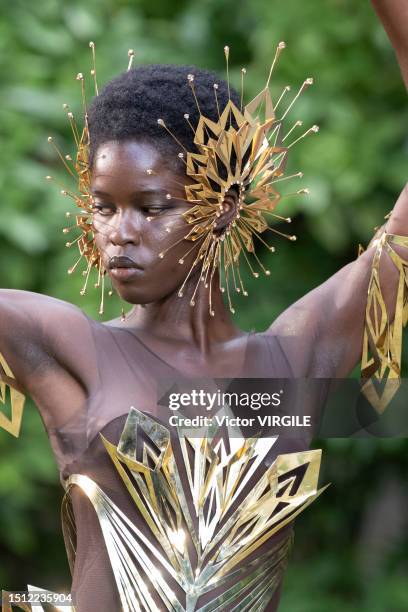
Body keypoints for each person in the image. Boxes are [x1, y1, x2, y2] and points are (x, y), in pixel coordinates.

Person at [1, 1, 407, 610]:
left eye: (151, 206)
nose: (119, 232)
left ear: (220, 206)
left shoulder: (293, 362)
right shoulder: (67, 346)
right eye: (103, 207)